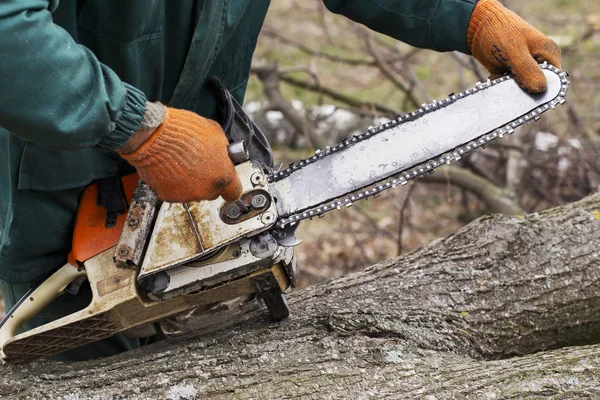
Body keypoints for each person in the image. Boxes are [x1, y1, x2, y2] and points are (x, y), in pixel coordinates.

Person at [0, 0, 561, 361]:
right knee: (73, 364)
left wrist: (465, 14)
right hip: (54, 175)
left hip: (199, 167)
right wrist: (138, 127)